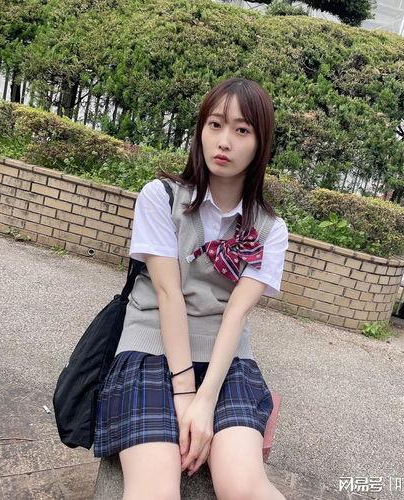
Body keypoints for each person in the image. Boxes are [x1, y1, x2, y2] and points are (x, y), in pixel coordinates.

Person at [93, 77, 289, 500]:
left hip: (227, 363)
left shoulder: (270, 229)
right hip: (150, 349)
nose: (224, 141)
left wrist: (206, 399)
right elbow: (168, 295)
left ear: (261, 144)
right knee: (155, 491)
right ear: (201, 130)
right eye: (215, 125)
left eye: (242, 130)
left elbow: (236, 313)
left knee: (244, 486)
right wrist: (185, 394)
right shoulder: (161, 198)